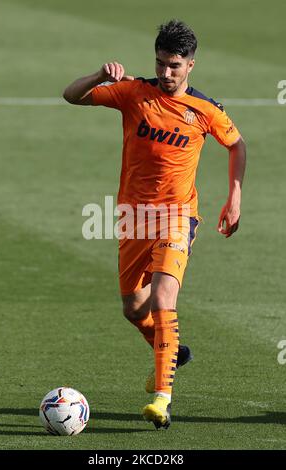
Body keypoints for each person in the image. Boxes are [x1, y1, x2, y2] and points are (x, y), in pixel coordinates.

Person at [63, 19, 246, 430]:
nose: (165, 73)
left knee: (164, 299)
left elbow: (236, 144)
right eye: (161, 63)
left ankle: (162, 399)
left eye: (174, 66)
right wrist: (98, 74)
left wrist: (234, 196)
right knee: (133, 307)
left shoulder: (206, 111)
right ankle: (170, 352)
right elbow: (71, 95)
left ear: (191, 66)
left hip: (178, 216)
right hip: (133, 216)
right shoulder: (133, 93)